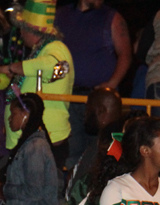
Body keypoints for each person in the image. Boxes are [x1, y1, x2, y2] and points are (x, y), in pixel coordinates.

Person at [0, 0, 74, 168]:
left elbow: (55, 67)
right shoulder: (41, 52)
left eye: (22, 28)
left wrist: (13, 68)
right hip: (35, 138)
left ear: (31, 30)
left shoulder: (56, 49)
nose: (20, 34)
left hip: (45, 138)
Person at [55, 0, 132, 167]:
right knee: (71, 152)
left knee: (103, 150)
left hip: (100, 101)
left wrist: (111, 84)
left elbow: (125, 54)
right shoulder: (61, 15)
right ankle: (73, 189)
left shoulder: (112, 17)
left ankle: (101, 188)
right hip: (69, 96)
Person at [0, 92, 60, 205]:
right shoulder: (29, 144)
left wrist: (3, 190)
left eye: (13, 113)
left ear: (25, 114)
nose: (9, 118)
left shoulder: (36, 146)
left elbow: (34, 191)